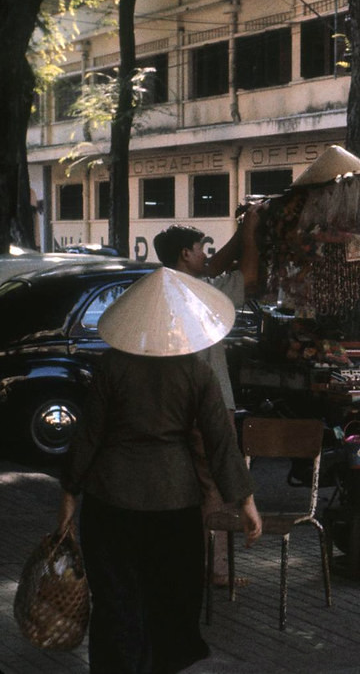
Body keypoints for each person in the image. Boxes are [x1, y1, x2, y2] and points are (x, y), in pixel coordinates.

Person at [56, 267, 262, 674]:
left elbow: (88, 437)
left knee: (115, 601)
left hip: (110, 500)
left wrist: (67, 495)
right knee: (169, 598)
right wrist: (246, 500)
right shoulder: (197, 372)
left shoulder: (111, 367)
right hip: (175, 501)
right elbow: (221, 441)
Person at [153, 210, 260, 587]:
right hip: (208, 402)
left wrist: (241, 230)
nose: (205, 256)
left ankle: (185, 564)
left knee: (186, 484)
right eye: (200, 250)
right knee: (216, 483)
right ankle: (215, 571)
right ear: (185, 254)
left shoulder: (164, 287)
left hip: (172, 404)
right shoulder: (200, 291)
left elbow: (215, 264)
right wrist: (249, 235)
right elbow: (248, 275)